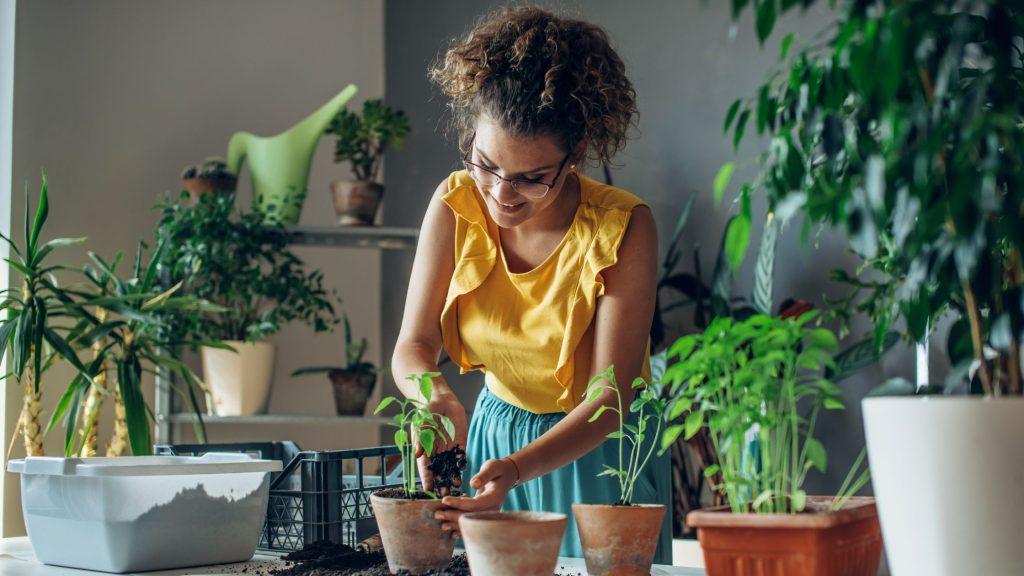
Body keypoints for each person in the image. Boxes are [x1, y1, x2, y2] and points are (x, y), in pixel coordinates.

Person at [390, 5, 671, 562]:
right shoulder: (454, 206)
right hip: (493, 439)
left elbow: (609, 399)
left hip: (595, 455)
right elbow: (414, 347)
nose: (500, 194)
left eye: (531, 178)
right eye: (485, 164)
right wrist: (435, 395)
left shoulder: (623, 228)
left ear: (575, 158)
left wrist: (521, 468)